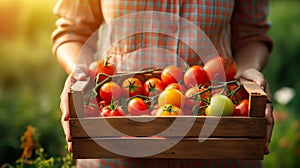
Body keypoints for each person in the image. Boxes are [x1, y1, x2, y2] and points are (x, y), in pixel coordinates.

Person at [51, 0, 274, 167]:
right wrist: (80, 72)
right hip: (114, 154)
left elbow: (251, 34)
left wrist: (247, 71)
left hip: (220, 149)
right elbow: (72, 30)